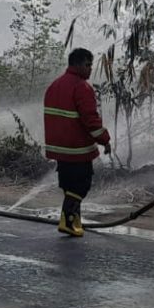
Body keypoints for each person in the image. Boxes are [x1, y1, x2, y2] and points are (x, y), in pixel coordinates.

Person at [43, 48, 111, 237]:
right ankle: (68, 220)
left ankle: (75, 220)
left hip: (60, 149)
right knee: (81, 185)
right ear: (77, 65)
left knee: (69, 185)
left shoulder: (55, 85)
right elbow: (90, 119)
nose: (90, 69)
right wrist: (104, 139)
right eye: (88, 65)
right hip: (77, 148)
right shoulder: (81, 87)